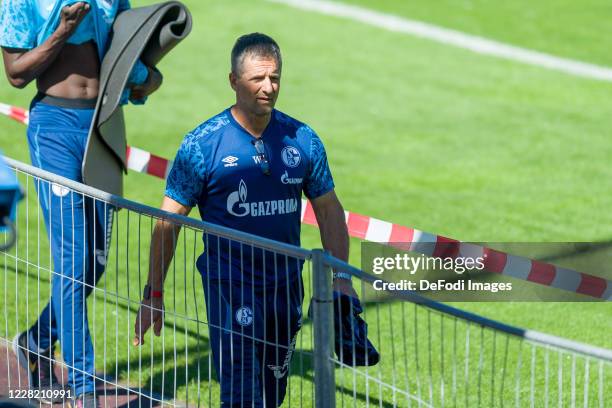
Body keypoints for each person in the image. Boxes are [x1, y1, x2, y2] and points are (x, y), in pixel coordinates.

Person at [133, 32, 357, 407]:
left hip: (285, 287)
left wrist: (343, 278)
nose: (268, 88)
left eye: (275, 78)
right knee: (239, 393)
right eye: (257, 79)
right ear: (234, 81)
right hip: (230, 285)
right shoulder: (202, 145)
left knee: (272, 395)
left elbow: (329, 210)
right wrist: (153, 293)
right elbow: (166, 222)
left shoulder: (302, 139)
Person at [0, 0, 162, 406]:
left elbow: (119, 50)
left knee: (94, 264)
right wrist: (62, 30)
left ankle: (35, 341)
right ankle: (84, 387)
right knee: (73, 261)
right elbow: (16, 74)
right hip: (54, 127)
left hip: (101, 127)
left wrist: (147, 76)